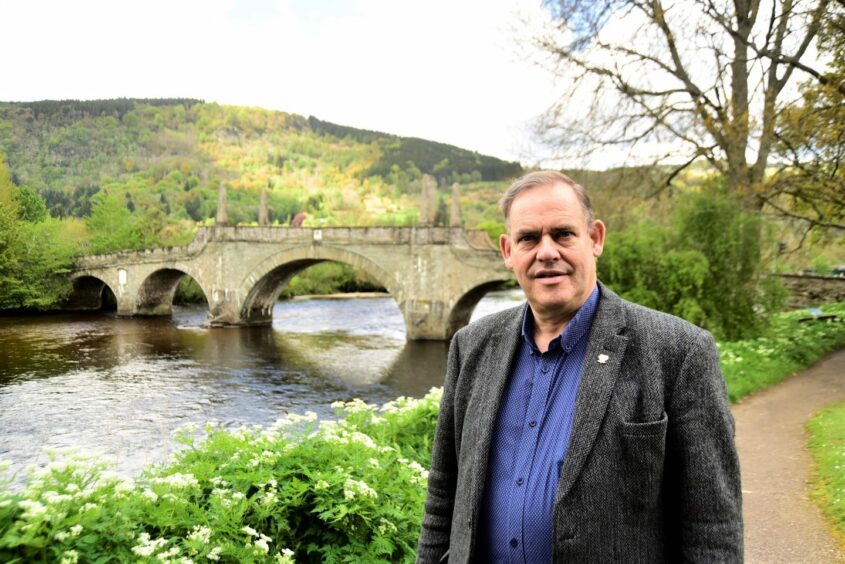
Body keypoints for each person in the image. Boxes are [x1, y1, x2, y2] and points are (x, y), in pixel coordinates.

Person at [416, 171, 743, 563]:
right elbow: (443, 494)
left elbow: (713, 527)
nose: (547, 251)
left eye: (563, 233)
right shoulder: (471, 347)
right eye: (529, 239)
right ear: (507, 251)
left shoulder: (677, 351)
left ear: (596, 238)